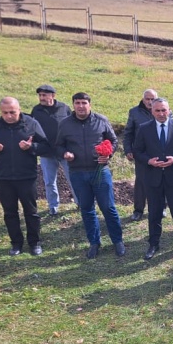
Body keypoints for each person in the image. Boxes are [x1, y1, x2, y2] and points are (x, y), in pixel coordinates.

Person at [56, 92, 125, 259]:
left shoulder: (101, 120)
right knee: (87, 209)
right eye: (77, 103)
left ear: (89, 105)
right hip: (77, 173)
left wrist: (109, 154)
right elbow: (58, 145)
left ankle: (118, 241)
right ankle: (94, 242)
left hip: (100, 171)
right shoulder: (65, 124)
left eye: (84, 103)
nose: (80, 106)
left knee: (108, 207)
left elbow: (113, 140)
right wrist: (65, 154)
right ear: (73, 105)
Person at [0, 97, 50, 256]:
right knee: (10, 213)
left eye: (12, 112)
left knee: (31, 212)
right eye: (5, 113)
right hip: (4, 177)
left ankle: (35, 243)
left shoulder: (31, 124)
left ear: (19, 110)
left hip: (27, 176)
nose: (9, 116)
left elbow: (45, 146)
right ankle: (16, 244)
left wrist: (31, 147)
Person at [133, 97, 173, 260]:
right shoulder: (144, 128)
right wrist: (149, 161)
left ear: (169, 110)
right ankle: (153, 244)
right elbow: (137, 151)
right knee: (154, 213)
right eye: (157, 110)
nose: (161, 113)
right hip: (153, 178)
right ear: (151, 111)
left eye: (164, 110)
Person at [30, 84, 78, 216]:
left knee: (72, 178)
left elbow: (72, 127)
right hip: (46, 152)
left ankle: (79, 203)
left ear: (53, 95)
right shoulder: (36, 111)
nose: (41, 97)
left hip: (64, 151)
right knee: (49, 182)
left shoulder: (64, 108)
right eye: (40, 95)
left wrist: (72, 148)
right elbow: (32, 130)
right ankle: (53, 207)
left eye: (44, 95)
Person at [123, 89, 158, 221]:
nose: (150, 102)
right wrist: (128, 150)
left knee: (161, 180)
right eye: (147, 99)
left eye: (152, 99)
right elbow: (128, 133)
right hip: (141, 153)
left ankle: (161, 207)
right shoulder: (134, 112)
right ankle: (138, 210)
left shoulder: (164, 110)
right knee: (141, 182)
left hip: (159, 152)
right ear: (143, 100)